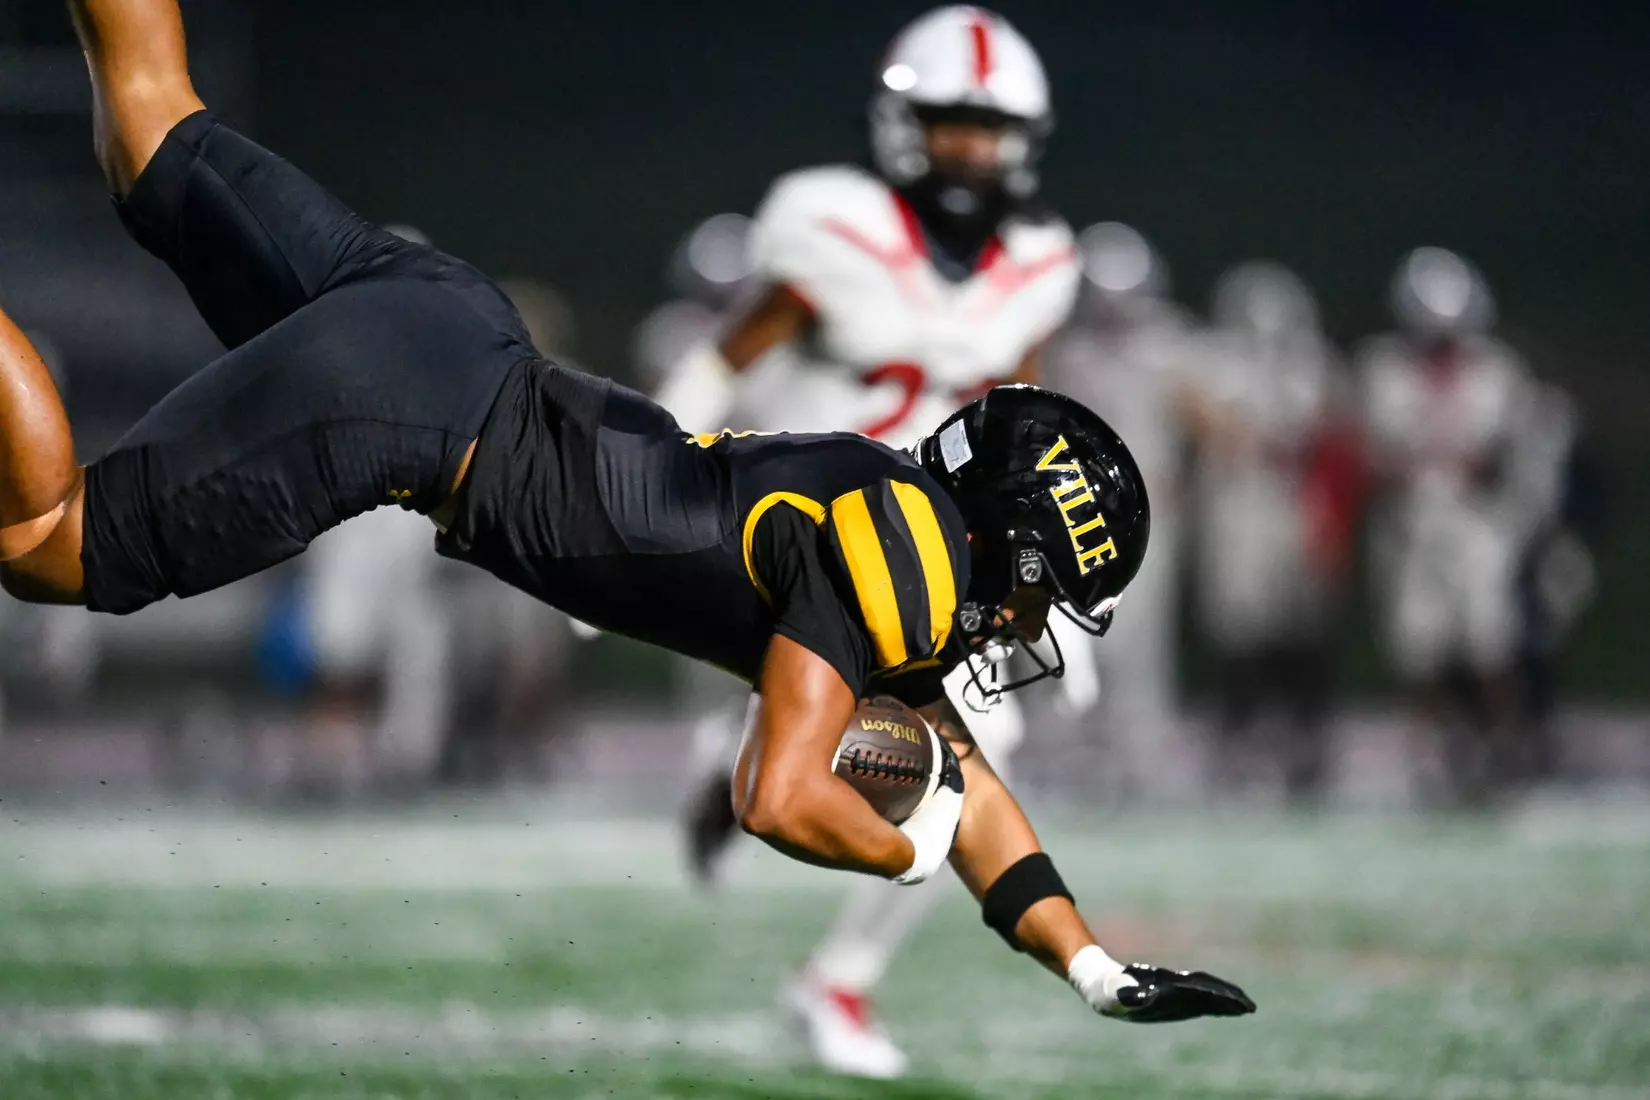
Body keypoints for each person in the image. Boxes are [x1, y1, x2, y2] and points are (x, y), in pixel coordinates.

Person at [0, 0, 1253, 1035]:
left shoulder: (909, 520)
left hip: (450, 323)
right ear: (1019, 548)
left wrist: (1094, 967)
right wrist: (905, 842)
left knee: (153, 132)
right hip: (418, 423)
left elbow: (969, 784)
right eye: (1045, 597)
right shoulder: (904, 566)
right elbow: (778, 794)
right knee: (46, 543)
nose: (1030, 627)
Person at [654, 7, 1089, 1076]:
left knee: (978, 763)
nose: (970, 151)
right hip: (804, 530)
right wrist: (650, 479)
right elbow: (721, 358)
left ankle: (836, 977)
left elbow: (1016, 423)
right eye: (950, 123)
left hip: (930, 551)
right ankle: (742, 764)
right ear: (905, 123)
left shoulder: (1039, 259)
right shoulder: (830, 222)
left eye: (989, 130)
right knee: (916, 759)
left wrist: (1053, 583)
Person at [1358, 247, 1541, 805]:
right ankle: (1429, 760)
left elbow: (1519, 451)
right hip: (1413, 523)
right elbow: (1374, 451)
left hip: (1477, 523)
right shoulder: (1384, 369)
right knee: (1419, 649)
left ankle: (1509, 754)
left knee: (1492, 643)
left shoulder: (1498, 371)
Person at [1188, 262, 1365, 804]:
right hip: (1237, 507)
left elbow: (1337, 448)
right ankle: (1238, 742)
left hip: (1294, 507)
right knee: (1238, 631)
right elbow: (1200, 426)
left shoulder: (1315, 367)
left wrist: (1331, 518)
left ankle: (1304, 745)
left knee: (1302, 631)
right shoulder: (1213, 364)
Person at [1042, 222, 1198, 799]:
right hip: (1079, 512)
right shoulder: (1067, 352)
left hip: (1148, 512)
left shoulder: (1169, 345)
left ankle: (1141, 765)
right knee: (1072, 637)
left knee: (1139, 646)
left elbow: (1209, 421)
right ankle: (1070, 762)